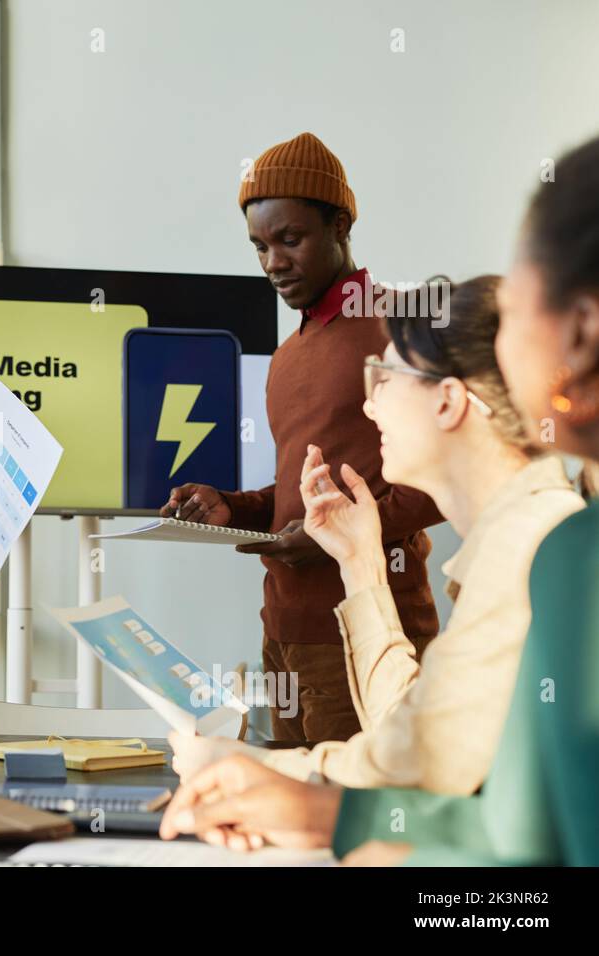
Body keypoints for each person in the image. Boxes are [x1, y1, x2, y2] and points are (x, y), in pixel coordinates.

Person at [161, 133, 599, 866]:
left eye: (515, 309)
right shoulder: (548, 543)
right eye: (258, 245)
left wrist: (307, 803)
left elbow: (463, 812)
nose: (371, 404)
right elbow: (430, 761)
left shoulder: (556, 553)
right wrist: (320, 540)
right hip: (298, 620)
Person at [170, 276, 584, 794]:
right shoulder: (522, 534)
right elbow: (410, 739)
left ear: (447, 402)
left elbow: (418, 768)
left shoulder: (531, 549)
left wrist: (250, 767)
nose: (369, 407)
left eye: (383, 379)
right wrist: (360, 560)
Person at [163, 132, 442, 743]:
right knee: (292, 822)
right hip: (282, 631)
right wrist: (233, 507)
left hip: (372, 628)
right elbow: (304, 492)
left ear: (340, 225)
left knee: (357, 818)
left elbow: (444, 482)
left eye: (291, 240)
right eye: (260, 246)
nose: (273, 263)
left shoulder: (402, 323)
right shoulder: (287, 355)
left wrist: (335, 540)